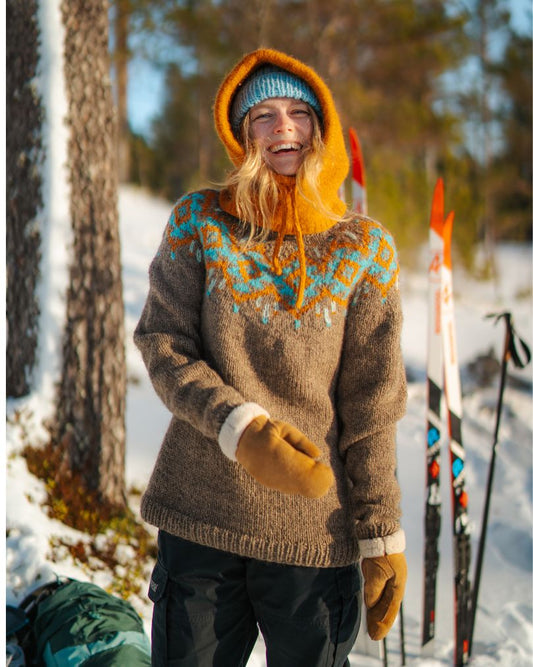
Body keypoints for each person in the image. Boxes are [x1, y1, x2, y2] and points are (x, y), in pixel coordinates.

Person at [134, 48, 408, 667]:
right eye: (263, 115)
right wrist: (241, 428)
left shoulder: (365, 247)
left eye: (298, 112)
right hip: (201, 521)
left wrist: (380, 531)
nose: (284, 127)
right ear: (242, 135)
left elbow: (372, 403)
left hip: (316, 535)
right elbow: (164, 344)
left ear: (322, 126)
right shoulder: (199, 222)